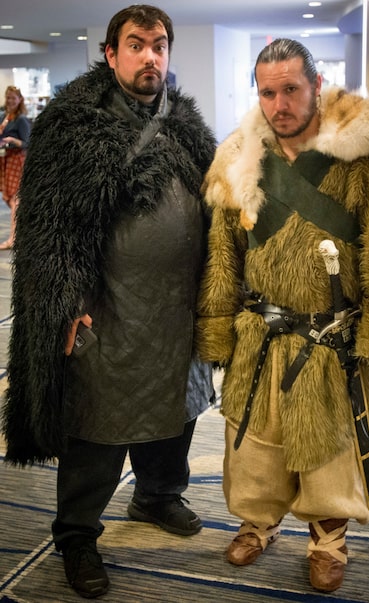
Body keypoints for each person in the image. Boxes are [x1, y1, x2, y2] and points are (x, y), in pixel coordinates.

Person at [1, 4, 216, 599]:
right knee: (97, 427)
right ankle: (75, 534)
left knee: (177, 413)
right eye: (137, 44)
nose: (151, 56)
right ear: (111, 53)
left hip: (177, 309)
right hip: (108, 311)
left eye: (160, 46)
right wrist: (62, 304)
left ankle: (156, 497)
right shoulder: (73, 125)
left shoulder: (186, 123)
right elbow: (46, 234)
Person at [196, 38, 369, 593]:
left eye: (291, 89)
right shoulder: (240, 158)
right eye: (268, 92)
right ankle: (259, 523)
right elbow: (223, 252)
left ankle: (328, 539)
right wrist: (218, 325)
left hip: (334, 340)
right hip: (260, 333)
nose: (279, 104)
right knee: (255, 443)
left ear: (316, 86)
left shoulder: (363, 162)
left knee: (331, 448)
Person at [0, 85, 31, 249]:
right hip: (5, 160)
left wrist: (12, 140)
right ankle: (20, 235)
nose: (10, 100)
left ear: (19, 99)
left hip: (17, 161)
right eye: (8, 97)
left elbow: (27, 143)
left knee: (15, 200)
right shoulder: (5, 117)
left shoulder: (21, 120)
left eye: (13, 97)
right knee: (9, 199)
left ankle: (13, 239)